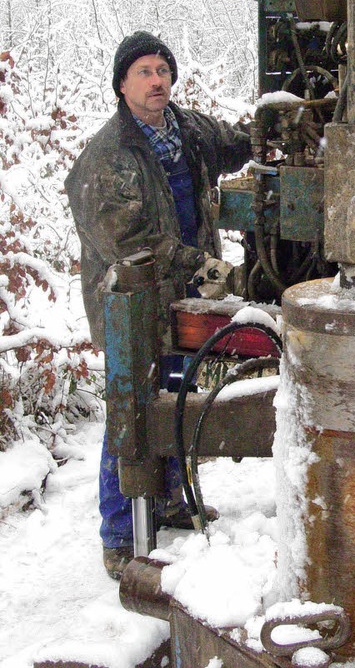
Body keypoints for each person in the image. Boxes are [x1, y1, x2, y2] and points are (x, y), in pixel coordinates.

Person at [65, 31, 252, 579]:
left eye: (163, 70)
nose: (156, 81)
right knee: (132, 412)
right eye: (144, 71)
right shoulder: (106, 159)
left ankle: (169, 500)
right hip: (133, 305)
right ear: (122, 84)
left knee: (177, 392)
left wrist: (271, 129)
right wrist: (198, 264)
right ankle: (120, 534)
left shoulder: (187, 131)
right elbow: (132, 243)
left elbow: (233, 140)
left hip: (183, 298)